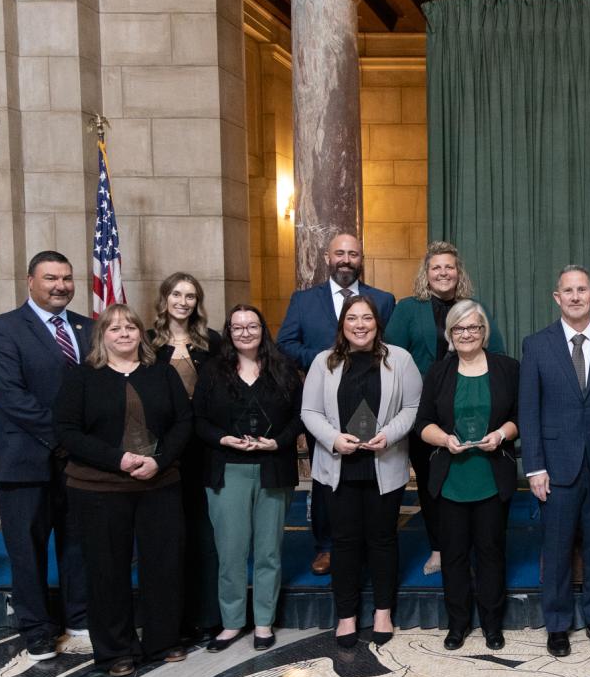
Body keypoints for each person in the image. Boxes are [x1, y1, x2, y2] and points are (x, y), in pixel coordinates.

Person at [53, 304, 192, 677]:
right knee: (107, 569)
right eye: (114, 328)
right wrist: (119, 460)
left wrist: (159, 462)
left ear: (141, 334)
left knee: (163, 565)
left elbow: (183, 422)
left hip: (159, 483)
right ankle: (116, 651)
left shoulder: (161, 373)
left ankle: (163, 640)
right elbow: (66, 431)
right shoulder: (82, 377)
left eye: (131, 327)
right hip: (99, 488)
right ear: (102, 336)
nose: (124, 333)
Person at [0, 250, 91, 661]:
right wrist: (64, 438)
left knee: (77, 543)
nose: (61, 285)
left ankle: (79, 619)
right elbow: (10, 396)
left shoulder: (88, 329)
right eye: (50, 278)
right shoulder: (3, 329)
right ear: (30, 281)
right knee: (27, 548)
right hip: (25, 459)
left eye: (66, 278)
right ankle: (37, 629)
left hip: (78, 464)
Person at [519, 265, 590, 658]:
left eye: (581, 289)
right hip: (555, 468)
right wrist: (534, 467)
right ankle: (557, 625)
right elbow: (529, 412)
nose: (574, 296)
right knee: (556, 550)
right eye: (567, 290)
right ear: (557, 297)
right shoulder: (536, 345)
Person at [300, 295, 422, 648]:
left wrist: (390, 435)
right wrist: (334, 439)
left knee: (383, 541)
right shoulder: (324, 362)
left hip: (383, 465)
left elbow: (414, 405)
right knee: (345, 543)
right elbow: (309, 412)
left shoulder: (399, 359)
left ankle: (383, 611)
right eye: (352, 318)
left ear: (377, 322)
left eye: (366, 318)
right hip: (339, 467)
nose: (360, 325)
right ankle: (346, 616)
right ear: (342, 325)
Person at [277, 232, 396, 577]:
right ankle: (327, 547)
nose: (346, 260)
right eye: (339, 253)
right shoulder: (303, 301)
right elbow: (284, 344)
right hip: (325, 407)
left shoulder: (383, 300)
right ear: (327, 258)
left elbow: (391, 347)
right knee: (328, 479)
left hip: (374, 401)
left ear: (362, 259)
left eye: (353, 254)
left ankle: (369, 545)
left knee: (375, 476)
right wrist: (326, 360)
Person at [387, 242, 506, 577]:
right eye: (436, 267)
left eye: (449, 267)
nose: (443, 273)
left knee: (473, 477)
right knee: (431, 481)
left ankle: (473, 547)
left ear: (459, 272)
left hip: (472, 405)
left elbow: (497, 352)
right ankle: (439, 548)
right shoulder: (408, 308)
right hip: (427, 410)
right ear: (427, 273)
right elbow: (392, 358)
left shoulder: (475, 307)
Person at [192, 305, 303, 653]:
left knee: (269, 550)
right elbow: (198, 420)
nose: (244, 332)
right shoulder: (212, 371)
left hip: (273, 468)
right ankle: (231, 622)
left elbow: (300, 417)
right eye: (237, 327)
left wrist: (279, 442)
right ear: (228, 331)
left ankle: (264, 622)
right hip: (227, 468)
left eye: (251, 325)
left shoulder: (283, 368)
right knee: (231, 550)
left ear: (262, 329)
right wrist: (223, 438)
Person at [415, 301, 520, 652]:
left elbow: (520, 416)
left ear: (484, 331)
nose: (466, 334)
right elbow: (422, 424)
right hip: (451, 479)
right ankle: (457, 623)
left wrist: (501, 435)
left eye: (473, 327)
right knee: (455, 553)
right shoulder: (437, 373)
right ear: (449, 334)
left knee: (491, 552)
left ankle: (492, 624)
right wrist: (444, 439)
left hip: (490, 476)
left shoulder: (507, 369)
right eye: (459, 329)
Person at [146, 272, 223, 642]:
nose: (183, 301)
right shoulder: (147, 343)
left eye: (191, 295)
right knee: (168, 535)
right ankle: (173, 621)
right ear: (165, 298)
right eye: (176, 293)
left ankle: (208, 617)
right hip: (164, 452)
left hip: (205, 451)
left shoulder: (211, 342)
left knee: (204, 534)